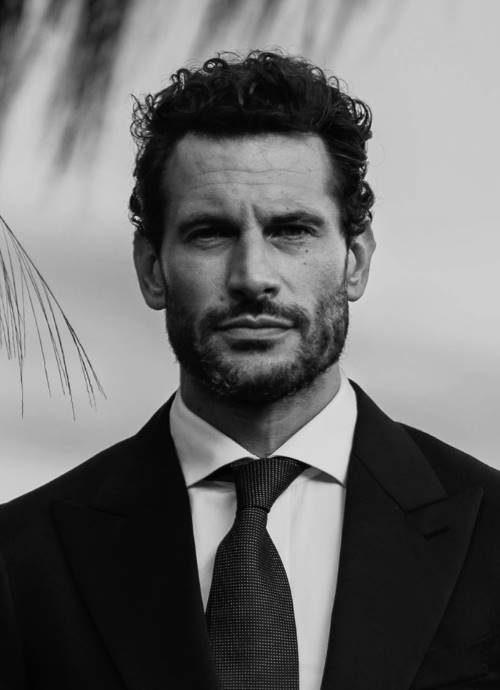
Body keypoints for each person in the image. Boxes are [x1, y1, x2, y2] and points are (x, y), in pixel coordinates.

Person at [0, 50, 499, 690]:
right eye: (210, 233)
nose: (253, 277)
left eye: (291, 230)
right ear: (152, 268)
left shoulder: (493, 535)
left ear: (355, 261)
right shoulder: (21, 559)